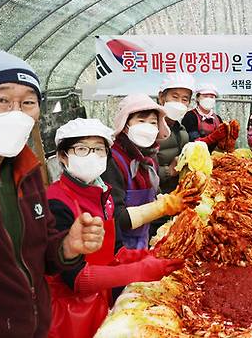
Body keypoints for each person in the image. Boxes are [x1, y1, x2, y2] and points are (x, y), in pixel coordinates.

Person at [0, 48, 104, 338]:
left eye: (28, 103)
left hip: (32, 327)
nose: (17, 113)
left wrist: (68, 247)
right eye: (2, 100)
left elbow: (40, 252)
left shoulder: (27, 170)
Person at [46, 118, 183, 338]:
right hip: (67, 315)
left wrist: (151, 256)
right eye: (82, 149)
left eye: (99, 150)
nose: (93, 156)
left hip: (100, 303)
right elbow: (76, 279)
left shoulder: (103, 195)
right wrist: (141, 270)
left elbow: (116, 251)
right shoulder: (56, 202)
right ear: (63, 156)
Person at [101, 94, 171, 249]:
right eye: (141, 121)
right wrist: (163, 207)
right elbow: (116, 218)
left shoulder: (148, 158)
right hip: (120, 249)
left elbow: (153, 195)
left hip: (142, 242)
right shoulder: (113, 160)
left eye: (153, 123)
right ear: (125, 125)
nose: (148, 127)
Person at [156, 73, 192, 194]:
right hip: (154, 199)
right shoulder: (150, 128)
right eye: (175, 97)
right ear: (162, 98)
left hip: (176, 195)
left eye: (184, 99)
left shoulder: (181, 131)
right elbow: (136, 170)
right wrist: (168, 171)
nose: (179, 103)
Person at [181, 83, 228, 152]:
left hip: (214, 156)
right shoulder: (190, 116)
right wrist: (213, 137)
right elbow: (194, 142)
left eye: (212, 97)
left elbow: (222, 144)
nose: (208, 99)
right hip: (194, 156)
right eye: (205, 96)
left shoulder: (217, 118)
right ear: (197, 98)